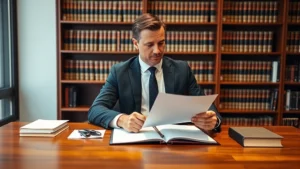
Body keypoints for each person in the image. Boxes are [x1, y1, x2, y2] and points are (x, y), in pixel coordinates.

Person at [88, 13, 221, 133]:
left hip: (174, 142)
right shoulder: (120, 72)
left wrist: (213, 121)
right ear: (135, 43)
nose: (157, 51)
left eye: (161, 43)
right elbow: (95, 110)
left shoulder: (182, 70)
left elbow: (209, 108)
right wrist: (122, 120)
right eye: (150, 44)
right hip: (135, 139)